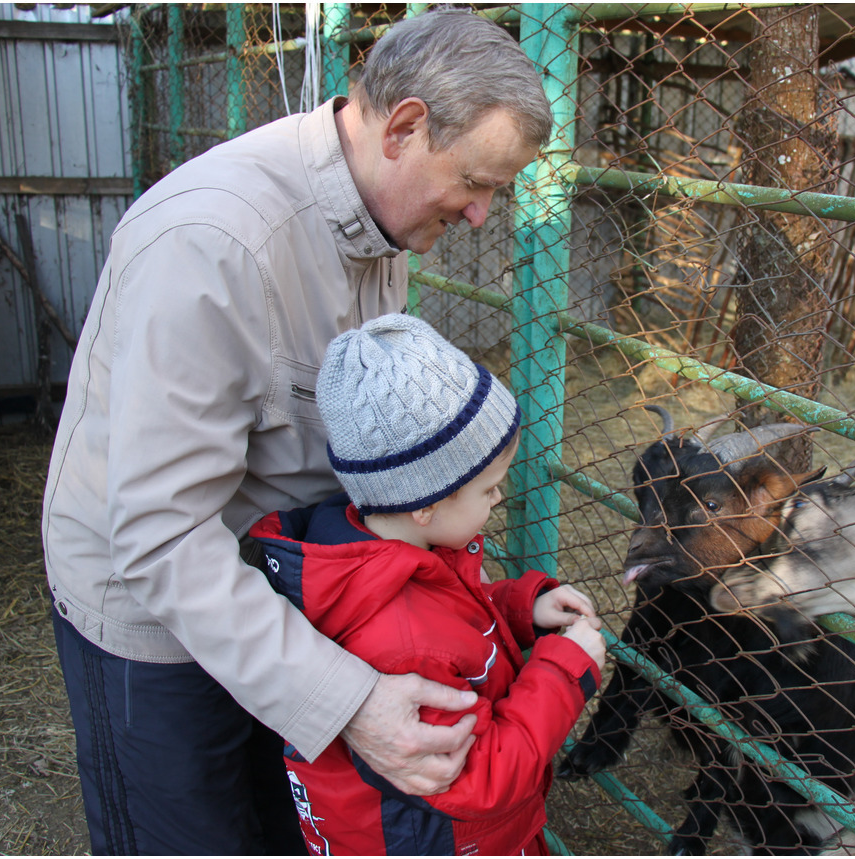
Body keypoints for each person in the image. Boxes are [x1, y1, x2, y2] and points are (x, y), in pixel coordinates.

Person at [41, 10, 553, 854]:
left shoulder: (379, 217)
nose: (480, 216)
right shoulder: (212, 245)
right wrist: (345, 699)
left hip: (279, 592)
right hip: (157, 614)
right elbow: (160, 532)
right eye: (478, 181)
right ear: (406, 126)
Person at [249, 314, 606, 855]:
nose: (498, 501)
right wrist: (562, 669)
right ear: (426, 503)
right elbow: (475, 779)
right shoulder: (401, 643)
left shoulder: (386, 554)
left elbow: (454, 616)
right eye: (488, 490)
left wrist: (517, 609)